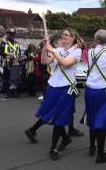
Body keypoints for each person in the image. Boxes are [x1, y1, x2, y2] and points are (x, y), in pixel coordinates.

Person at [25, 28, 82, 160]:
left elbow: (66, 63)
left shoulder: (77, 51)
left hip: (66, 88)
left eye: (66, 35)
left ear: (73, 38)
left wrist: (53, 50)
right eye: (63, 34)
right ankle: (65, 139)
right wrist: (45, 48)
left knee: (60, 118)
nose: (63, 36)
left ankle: (53, 149)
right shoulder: (59, 49)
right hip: (53, 86)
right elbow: (45, 61)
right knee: (52, 114)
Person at [80, 29, 106, 163]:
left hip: (90, 88)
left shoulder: (90, 52)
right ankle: (100, 154)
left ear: (95, 39)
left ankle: (91, 146)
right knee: (102, 120)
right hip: (103, 90)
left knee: (92, 116)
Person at [0, 28, 21, 98]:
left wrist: (18, 57)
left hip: (15, 63)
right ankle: (8, 93)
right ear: (8, 35)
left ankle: (14, 92)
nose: (12, 36)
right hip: (7, 63)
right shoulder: (4, 42)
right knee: (7, 79)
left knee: (15, 79)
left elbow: (19, 53)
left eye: (13, 34)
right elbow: (2, 53)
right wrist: (9, 55)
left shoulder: (17, 43)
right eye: (11, 34)